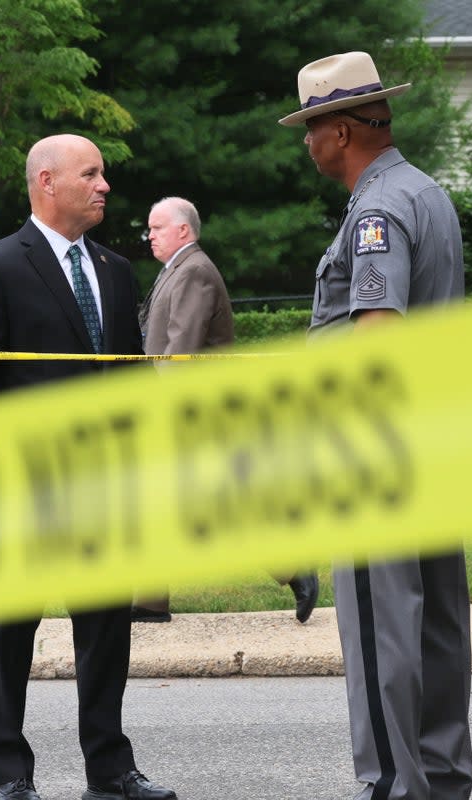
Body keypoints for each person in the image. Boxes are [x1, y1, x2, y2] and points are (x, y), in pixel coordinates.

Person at [0, 134, 177, 800]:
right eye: (91, 174)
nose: (105, 185)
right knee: (10, 639)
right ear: (47, 181)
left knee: (105, 635)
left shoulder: (114, 270)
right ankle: (10, 775)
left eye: (102, 174)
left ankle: (110, 769)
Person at [280, 51, 472, 799]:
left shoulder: (377, 213)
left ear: (342, 131)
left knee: (381, 633)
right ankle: (442, 783)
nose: (306, 141)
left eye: (311, 126)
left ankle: (394, 786)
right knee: (435, 635)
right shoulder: (428, 193)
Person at [132, 196, 320, 625]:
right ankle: (149, 599)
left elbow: (182, 347)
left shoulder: (194, 270)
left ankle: (294, 566)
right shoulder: (178, 270)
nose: (150, 236)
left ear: (183, 230)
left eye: (157, 228)